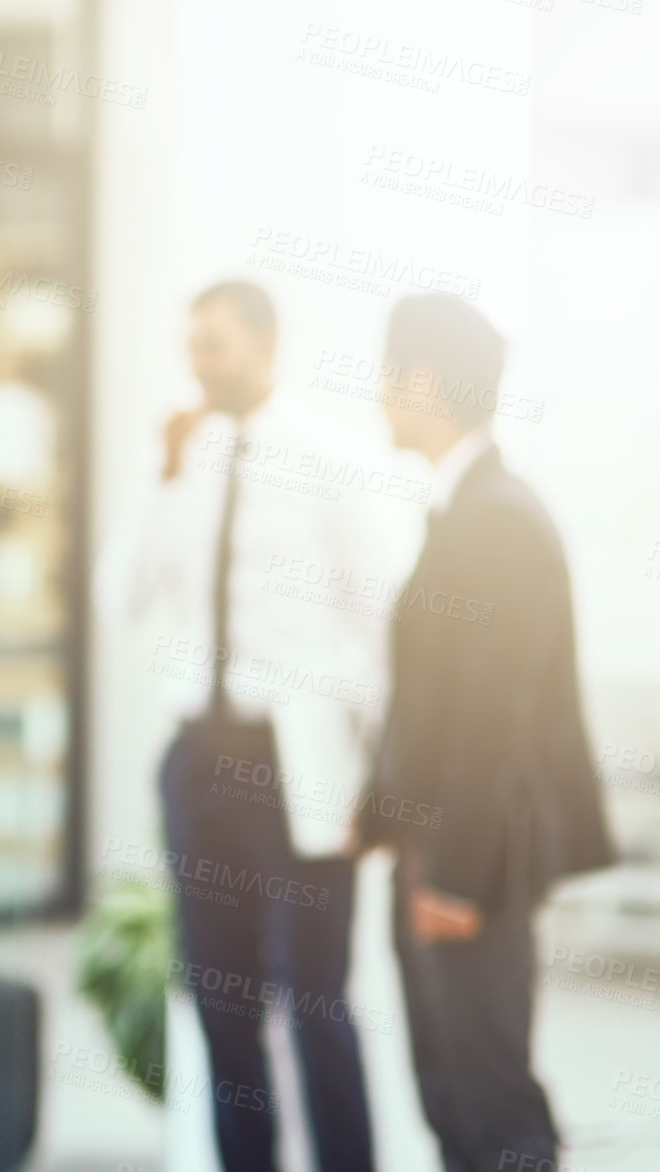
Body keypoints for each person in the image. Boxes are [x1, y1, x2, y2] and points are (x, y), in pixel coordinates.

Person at [120, 280, 388, 1172]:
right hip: (201, 760)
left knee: (316, 1001)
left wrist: (368, 771)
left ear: (265, 346)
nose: (198, 364)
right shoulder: (185, 461)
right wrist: (159, 477)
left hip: (298, 763)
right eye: (190, 345)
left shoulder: (328, 456)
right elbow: (119, 597)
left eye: (215, 345)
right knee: (220, 1003)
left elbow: (380, 617)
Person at [356, 293, 614, 1172]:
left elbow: (489, 722)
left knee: (489, 1096)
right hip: (437, 850)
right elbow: (430, 697)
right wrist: (379, 815)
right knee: (449, 1090)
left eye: (386, 376)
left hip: (474, 862)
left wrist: (456, 879)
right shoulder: (462, 508)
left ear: (422, 382)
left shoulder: (497, 519)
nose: (377, 394)